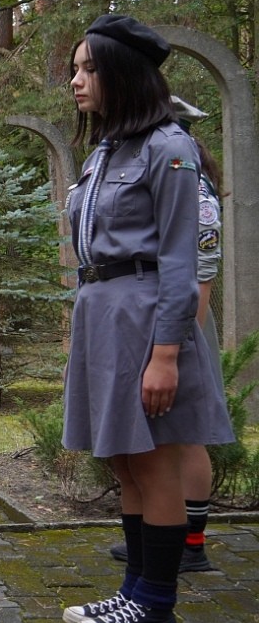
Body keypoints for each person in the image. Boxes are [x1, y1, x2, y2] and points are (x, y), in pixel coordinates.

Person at [59, 16, 233, 623]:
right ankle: (133, 590)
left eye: (89, 68)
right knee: (126, 463)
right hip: (105, 313)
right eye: (75, 69)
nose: (76, 81)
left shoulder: (169, 148)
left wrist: (166, 354)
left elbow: (183, 260)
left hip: (145, 316)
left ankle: (156, 606)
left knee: (155, 463)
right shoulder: (108, 150)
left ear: (124, 74)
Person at [111, 95, 224, 573]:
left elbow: (202, 266)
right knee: (163, 438)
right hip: (158, 317)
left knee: (185, 435)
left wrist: (179, 342)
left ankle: (190, 544)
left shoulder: (192, 185)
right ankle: (161, 541)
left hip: (184, 318)